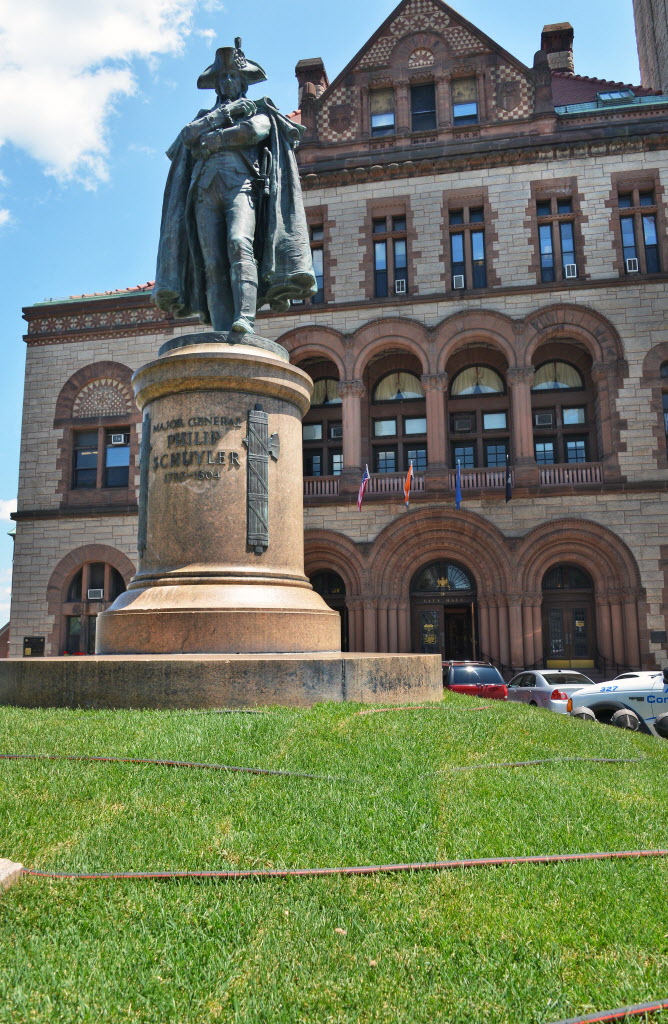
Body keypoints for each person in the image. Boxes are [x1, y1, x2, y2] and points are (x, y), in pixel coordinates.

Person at [153, 40, 316, 334]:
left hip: (241, 187)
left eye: (233, 77)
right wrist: (221, 117)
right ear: (216, 85)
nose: (227, 82)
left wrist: (214, 139)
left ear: (243, 83)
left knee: (239, 243)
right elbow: (187, 136)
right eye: (222, 78)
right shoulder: (205, 116)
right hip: (203, 191)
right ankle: (220, 326)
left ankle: (245, 318)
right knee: (211, 261)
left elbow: (255, 131)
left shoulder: (259, 108)